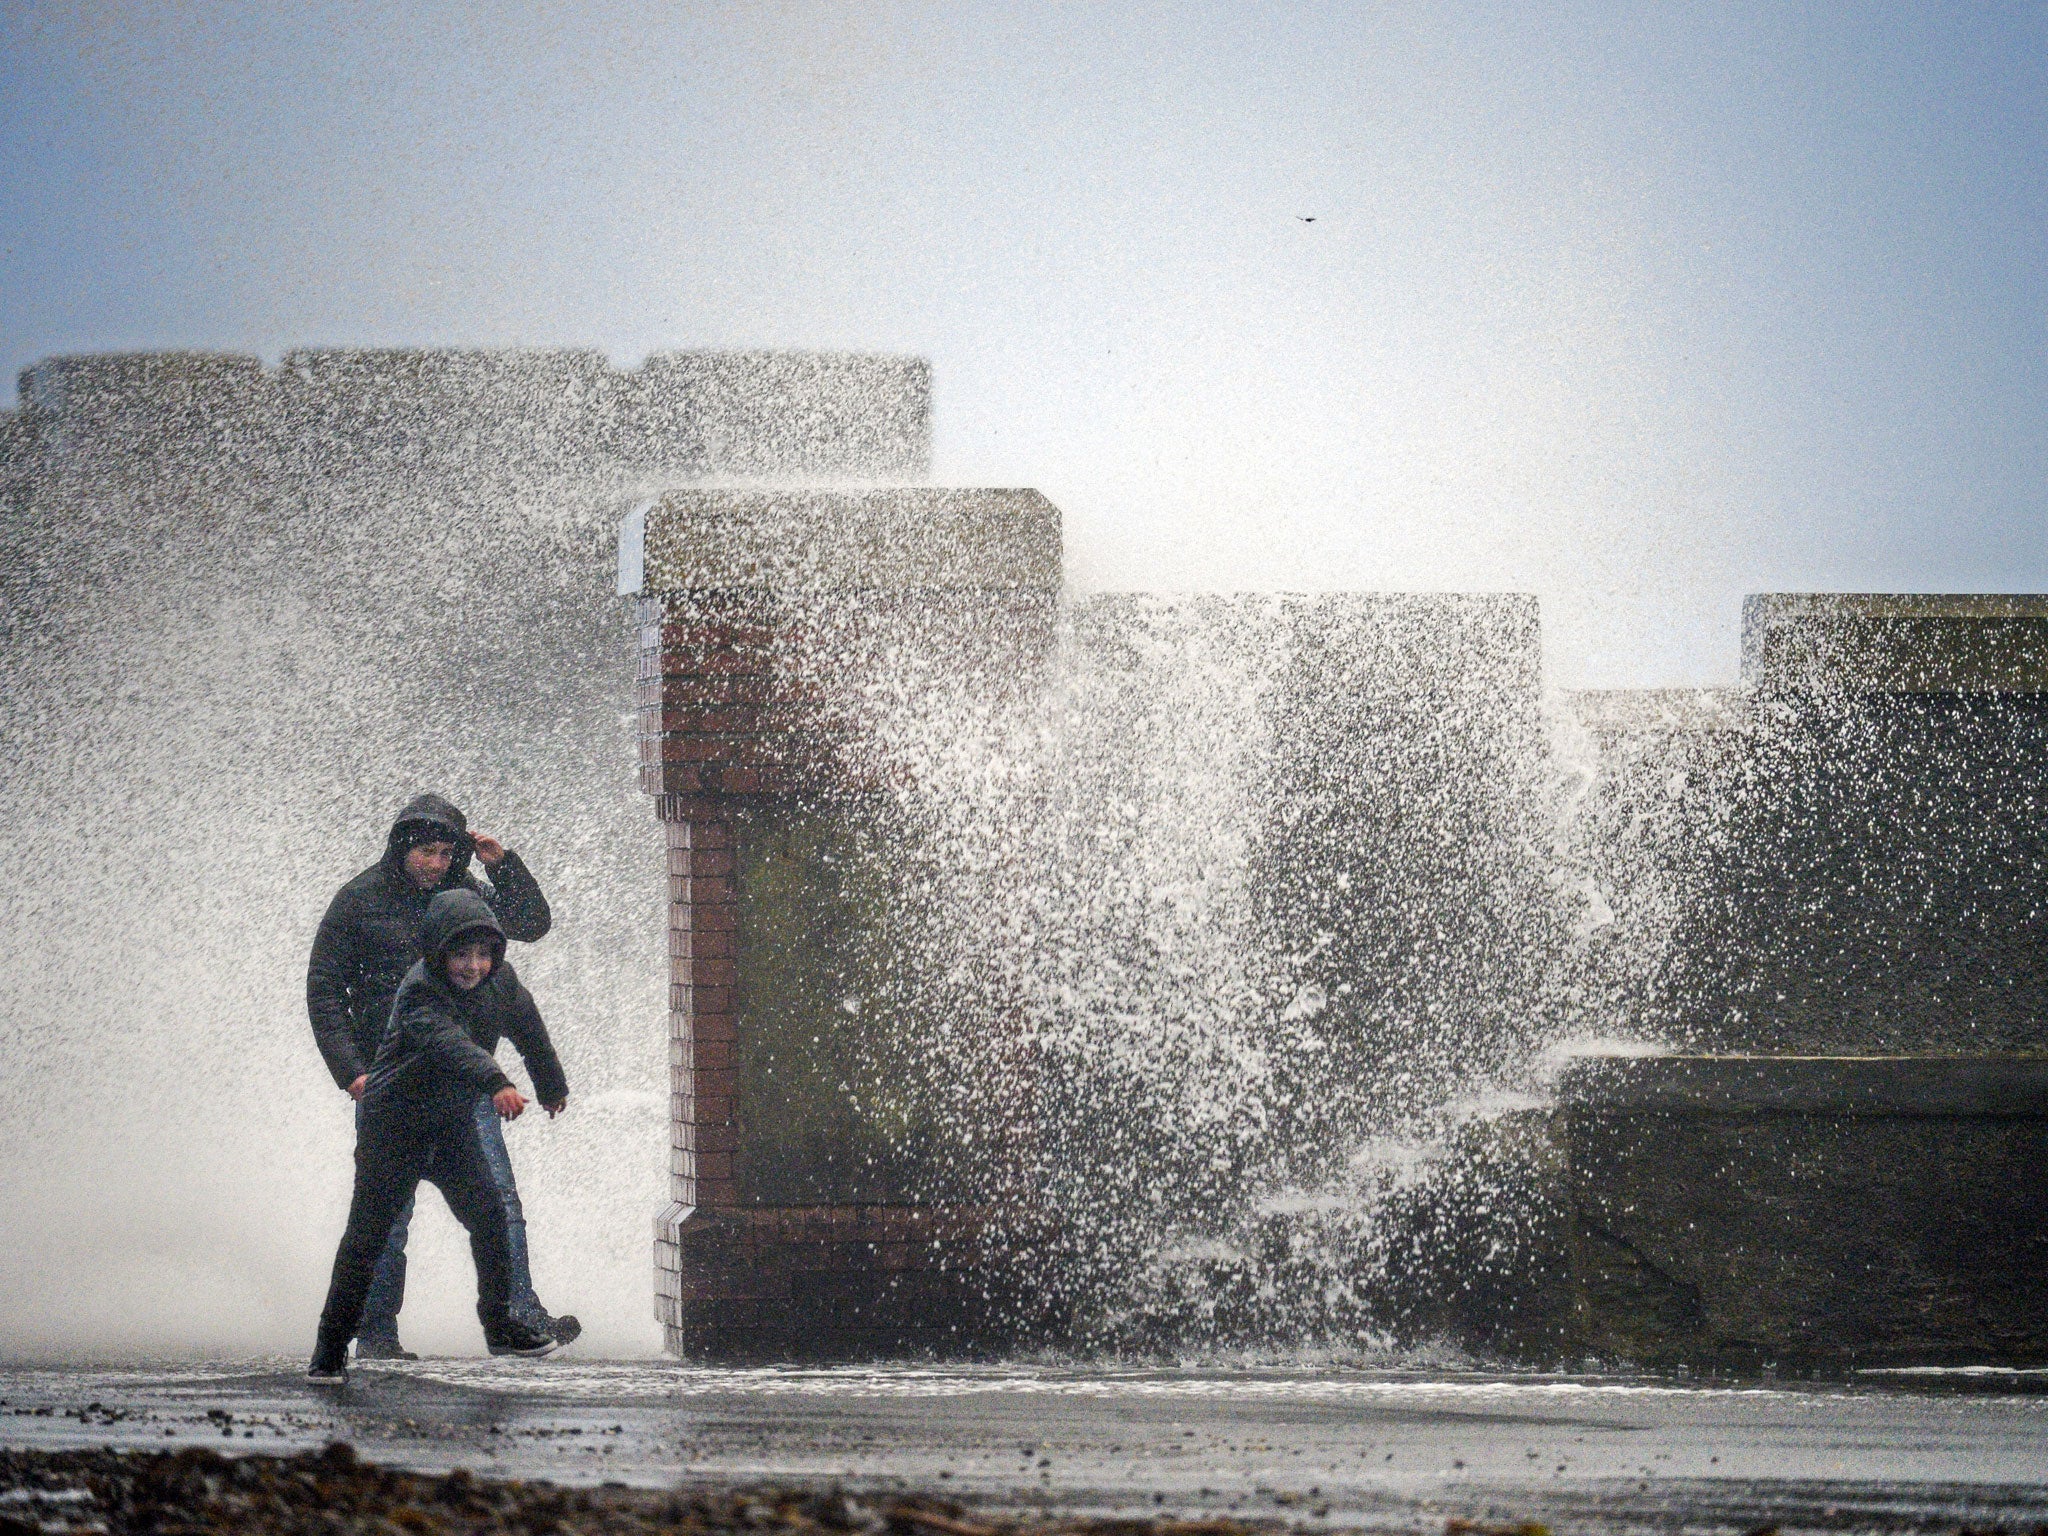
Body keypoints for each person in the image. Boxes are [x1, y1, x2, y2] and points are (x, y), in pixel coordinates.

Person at [306, 793, 577, 1357]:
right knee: (386, 1217)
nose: (433, 863)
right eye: (424, 852)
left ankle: (519, 1317)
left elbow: (531, 924)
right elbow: (325, 992)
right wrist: (350, 1071)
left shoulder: (466, 899)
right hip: (390, 1084)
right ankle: (376, 1335)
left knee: (497, 1203)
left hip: (466, 1083)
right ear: (402, 848)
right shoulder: (359, 901)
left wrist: (502, 865)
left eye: (444, 852)